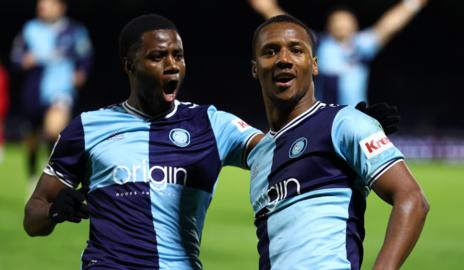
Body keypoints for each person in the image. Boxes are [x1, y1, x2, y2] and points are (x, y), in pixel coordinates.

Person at [23, 14, 399, 270]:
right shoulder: (87, 127)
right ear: (129, 65)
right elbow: (33, 217)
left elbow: (278, 148)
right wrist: (55, 210)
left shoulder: (210, 123)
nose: (172, 65)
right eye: (157, 57)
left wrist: (340, 129)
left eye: (178, 56)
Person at [248, 14, 429, 269]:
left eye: (296, 50)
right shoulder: (260, 155)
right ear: (255, 68)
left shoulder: (344, 124)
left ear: (313, 65)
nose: (284, 59)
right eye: (271, 51)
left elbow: (412, 198)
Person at [249, 0, 428, 106]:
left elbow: (388, 26)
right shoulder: (318, 43)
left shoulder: (362, 45)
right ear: (329, 25)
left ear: (355, 25)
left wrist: (412, 4)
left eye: (346, 21)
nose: (342, 24)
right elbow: (289, 25)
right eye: (337, 21)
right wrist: (267, 8)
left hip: (356, 117)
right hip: (324, 116)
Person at [10, 0, 93, 192]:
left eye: (47, 4)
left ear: (61, 7)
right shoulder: (30, 29)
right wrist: (24, 61)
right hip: (32, 93)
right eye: (40, 5)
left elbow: (86, 56)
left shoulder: (74, 31)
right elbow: (15, 57)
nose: (42, 8)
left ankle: (51, 179)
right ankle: (32, 178)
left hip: (60, 91)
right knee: (30, 140)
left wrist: (81, 73)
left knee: (54, 131)